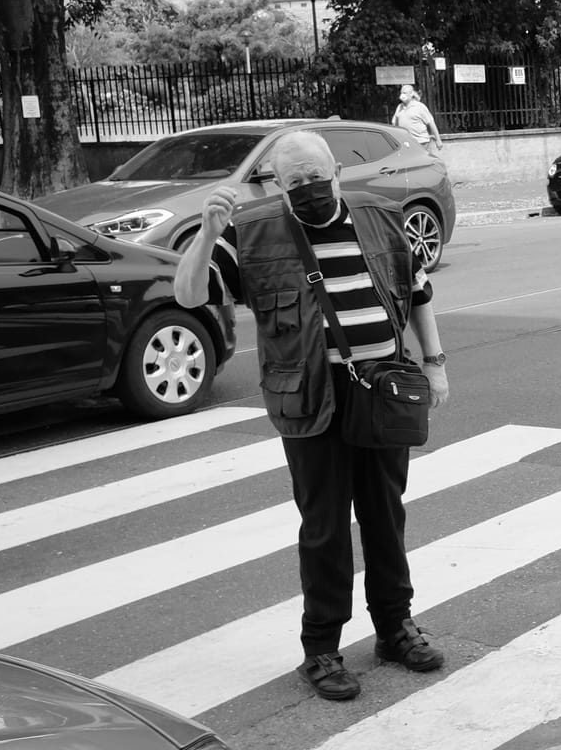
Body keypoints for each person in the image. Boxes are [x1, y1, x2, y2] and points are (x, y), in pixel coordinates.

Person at [172, 129, 450, 702]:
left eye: (314, 178)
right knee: (324, 527)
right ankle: (320, 648)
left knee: (384, 516)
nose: (306, 190)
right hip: (310, 400)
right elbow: (188, 294)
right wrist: (206, 236)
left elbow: (418, 294)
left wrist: (437, 364)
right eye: (292, 181)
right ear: (278, 183)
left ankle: (395, 628)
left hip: (382, 389)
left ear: (336, 173)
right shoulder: (252, 233)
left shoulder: (381, 216)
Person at [392, 84, 443, 155]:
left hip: (421, 143)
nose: (402, 95)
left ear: (411, 94)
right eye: (401, 93)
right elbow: (394, 124)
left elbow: (431, 123)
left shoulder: (420, 107)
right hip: (406, 143)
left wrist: (438, 140)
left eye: (405, 93)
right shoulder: (399, 107)